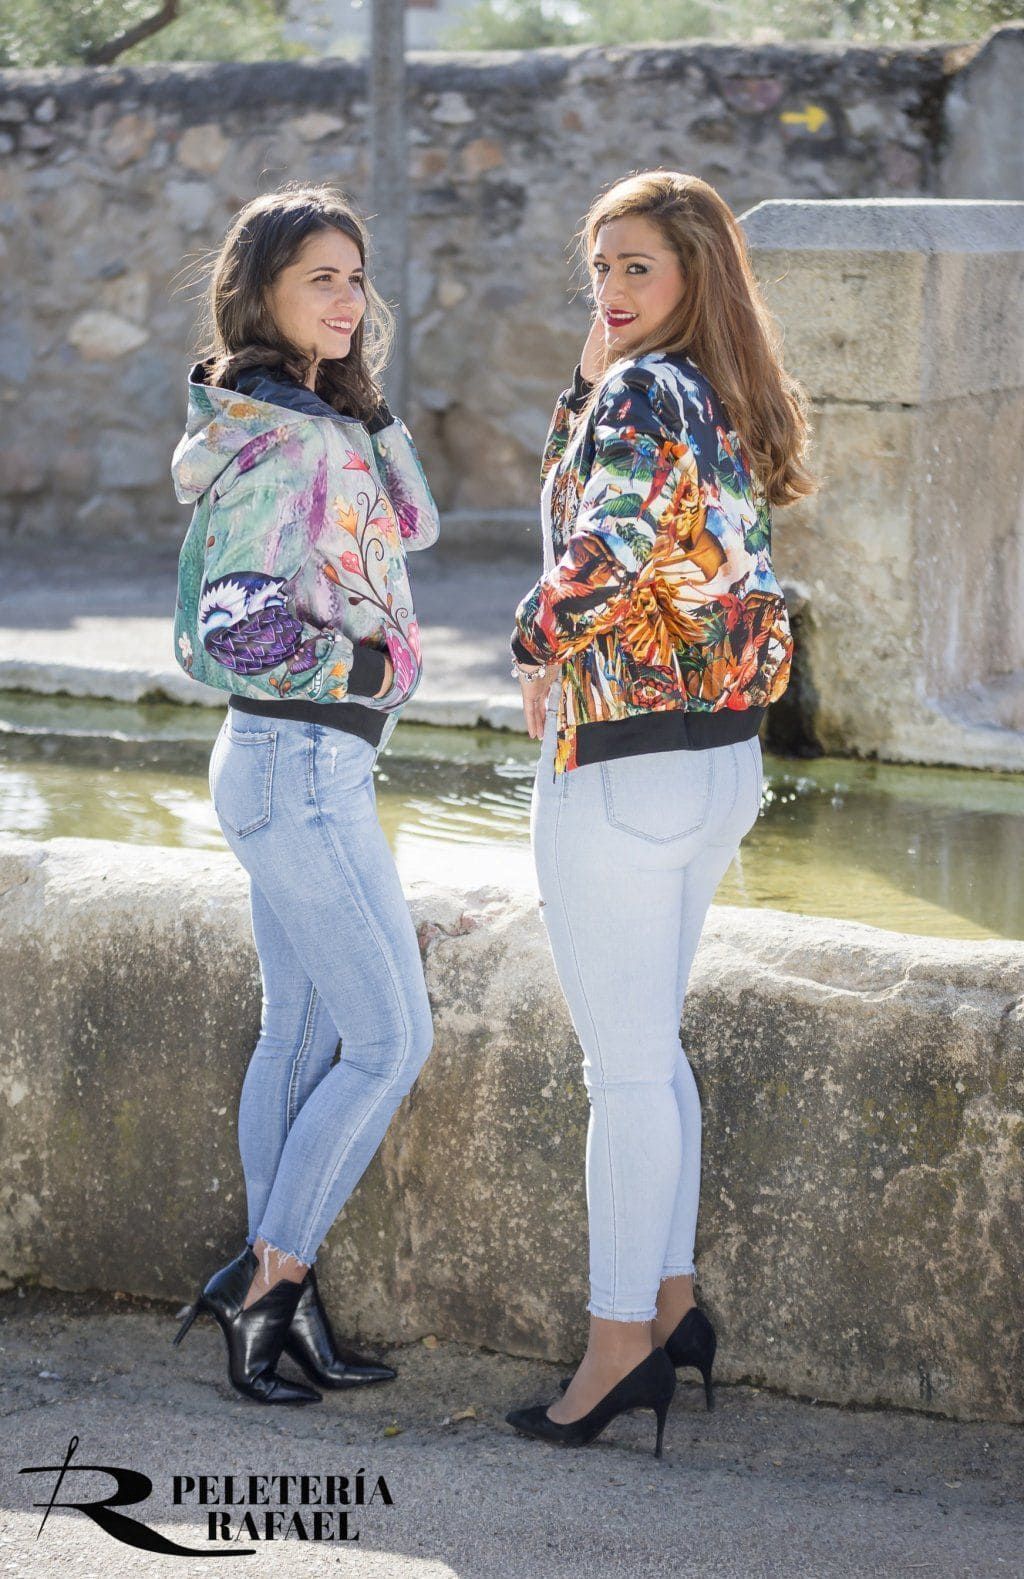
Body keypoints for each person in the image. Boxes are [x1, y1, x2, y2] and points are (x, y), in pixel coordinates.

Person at [504, 170, 814, 1455]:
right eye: (600, 266)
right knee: (655, 1052)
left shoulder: (644, 391)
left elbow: (607, 541)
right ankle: (674, 1303)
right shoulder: (715, 389)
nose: (611, 287)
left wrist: (531, 642)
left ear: (695, 270)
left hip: (624, 768)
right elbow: (608, 510)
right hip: (717, 764)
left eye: (636, 265)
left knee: (623, 1070)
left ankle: (618, 1344)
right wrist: (579, 389)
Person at [169, 183, 440, 1405]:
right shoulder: (284, 439)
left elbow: (414, 523)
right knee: (390, 1040)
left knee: (304, 1032)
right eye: (319, 279)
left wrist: (365, 403)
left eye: (355, 276)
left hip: (296, 764)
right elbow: (235, 626)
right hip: (298, 762)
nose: (348, 297)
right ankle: (271, 1277)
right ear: (260, 294)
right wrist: (370, 669)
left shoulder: (312, 419)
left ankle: (283, 1304)